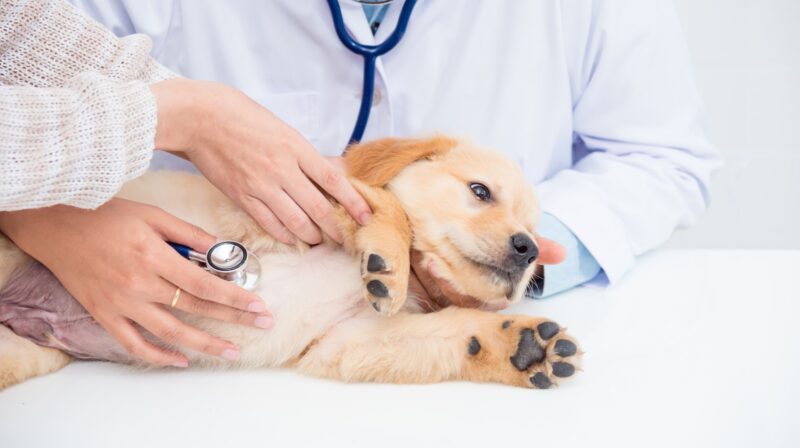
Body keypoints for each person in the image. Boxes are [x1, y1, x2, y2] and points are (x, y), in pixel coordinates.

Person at [1, 0, 718, 366]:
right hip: (152, 358)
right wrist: (39, 220)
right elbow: (23, 81)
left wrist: (514, 261)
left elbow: (661, 158)